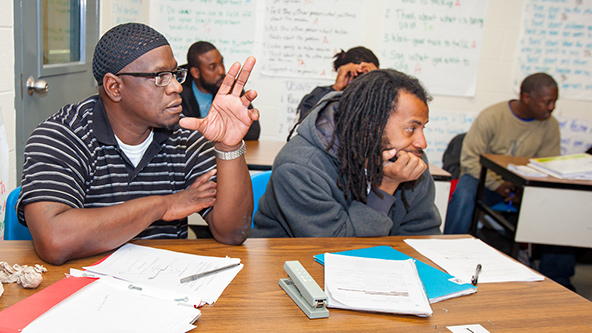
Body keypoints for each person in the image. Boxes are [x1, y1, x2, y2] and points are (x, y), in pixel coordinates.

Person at [16, 23, 259, 265]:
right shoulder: (63, 136)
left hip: (164, 285)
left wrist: (229, 146)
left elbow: (232, 232)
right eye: (160, 77)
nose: (176, 87)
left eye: (175, 74)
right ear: (114, 87)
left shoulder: (185, 136)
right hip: (81, 288)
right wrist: (163, 205)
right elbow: (55, 240)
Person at [251, 69, 441, 237]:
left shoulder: (409, 161)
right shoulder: (300, 167)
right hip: (285, 266)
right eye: (411, 129)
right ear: (371, 124)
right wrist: (385, 188)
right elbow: (336, 248)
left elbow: (422, 237)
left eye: (423, 128)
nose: (421, 143)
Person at [444, 73, 577, 290]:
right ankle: (447, 253)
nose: (552, 107)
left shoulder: (550, 125)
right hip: (486, 183)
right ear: (527, 97)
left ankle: (558, 278)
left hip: (523, 186)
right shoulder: (492, 116)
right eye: (547, 101)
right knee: (465, 190)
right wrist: (498, 185)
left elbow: (548, 166)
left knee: (559, 206)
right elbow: (469, 161)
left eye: (554, 101)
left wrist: (520, 187)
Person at [181, 41, 260, 140]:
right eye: (213, 67)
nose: (221, 71)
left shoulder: (231, 87)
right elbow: (178, 133)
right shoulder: (178, 91)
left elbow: (254, 133)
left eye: (221, 63)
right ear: (196, 72)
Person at [296, 46, 379, 122]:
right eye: (356, 75)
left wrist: (377, 82)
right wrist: (336, 89)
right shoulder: (320, 96)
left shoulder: (382, 97)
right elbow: (305, 125)